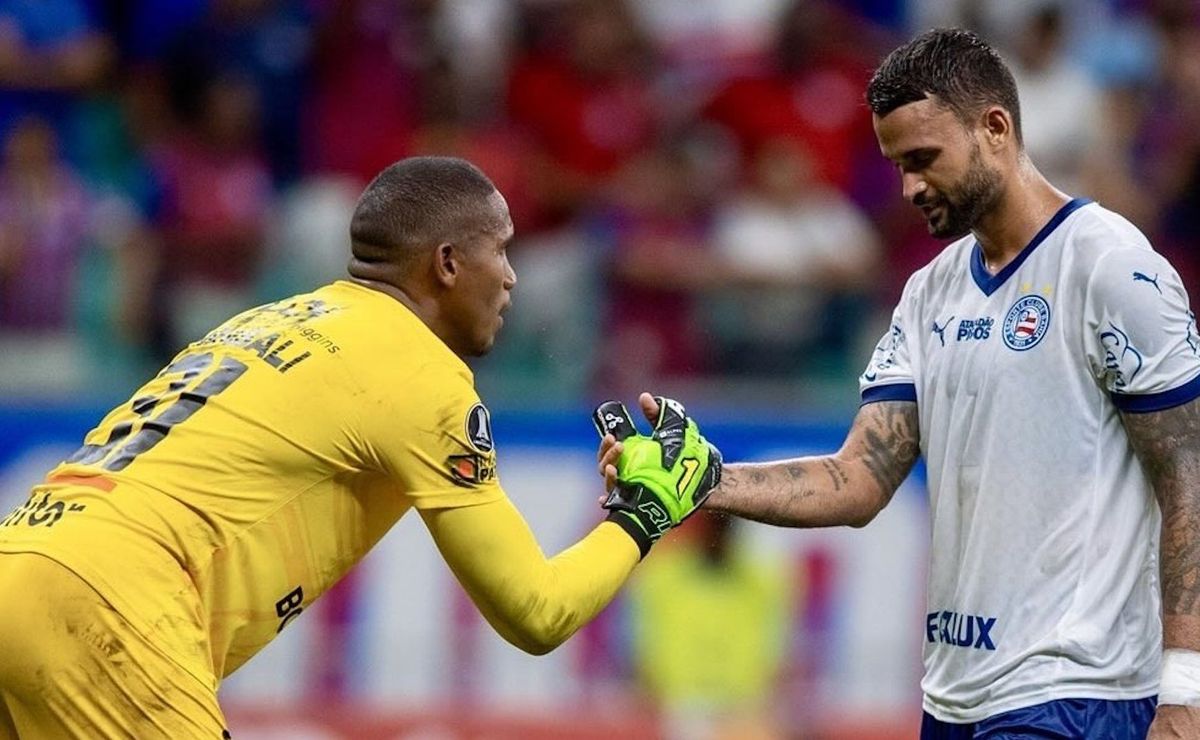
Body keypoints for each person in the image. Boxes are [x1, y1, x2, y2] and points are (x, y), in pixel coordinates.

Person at [599, 28, 1200, 738]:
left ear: (996, 129)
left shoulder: (1110, 267)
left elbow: (1186, 477)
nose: (910, 187)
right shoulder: (928, 293)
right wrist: (706, 480)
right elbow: (860, 477)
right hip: (953, 699)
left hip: (1079, 692)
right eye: (897, 166)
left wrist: (1184, 690)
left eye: (923, 160)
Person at [0, 156, 719, 739]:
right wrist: (642, 513)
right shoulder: (418, 373)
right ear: (446, 263)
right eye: (500, 249)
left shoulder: (271, 318)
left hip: (21, 560)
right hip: (112, 605)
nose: (510, 276)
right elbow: (535, 612)